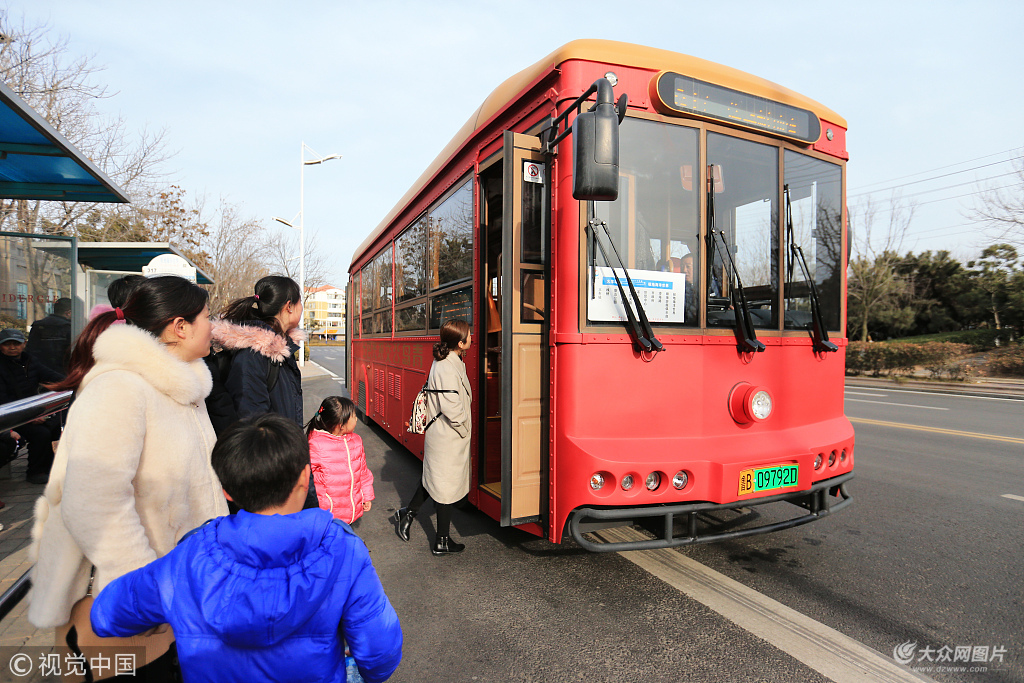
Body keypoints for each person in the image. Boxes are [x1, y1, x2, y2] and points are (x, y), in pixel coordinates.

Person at [90, 414, 403, 683]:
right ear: (305, 480)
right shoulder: (343, 549)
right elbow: (380, 651)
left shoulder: (189, 556)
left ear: (226, 491)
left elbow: (106, 615)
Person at [29, 276, 229, 681]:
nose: (215, 325)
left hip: (170, 601)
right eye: (208, 317)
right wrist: (146, 590)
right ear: (179, 326)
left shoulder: (181, 387)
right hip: (123, 604)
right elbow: (94, 502)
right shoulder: (120, 387)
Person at [206, 275, 317, 508]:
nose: (301, 309)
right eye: (300, 303)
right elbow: (253, 425)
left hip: (285, 465)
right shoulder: (254, 355)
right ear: (289, 306)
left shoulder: (279, 349)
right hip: (273, 481)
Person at [393, 319, 472, 555]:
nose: (472, 336)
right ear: (460, 342)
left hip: (445, 435)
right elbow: (452, 407)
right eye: (469, 334)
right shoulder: (447, 366)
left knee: (435, 481)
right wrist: (464, 428)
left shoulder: (450, 361)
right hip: (448, 435)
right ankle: (441, 540)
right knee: (444, 487)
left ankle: (408, 514)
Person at [0, 328, 64, 484]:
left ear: (24, 344)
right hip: (9, 416)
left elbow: (52, 377)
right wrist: (29, 417)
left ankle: (50, 468)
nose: (12, 347)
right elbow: (3, 399)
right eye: (7, 344)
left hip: (31, 410)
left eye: (16, 343)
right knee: (40, 433)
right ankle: (35, 472)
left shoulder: (30, 361)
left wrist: (75, 383)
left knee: (55, 426)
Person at [307, 396, 375, 525]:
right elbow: (310, 481)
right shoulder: (316, 445)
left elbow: (363, 472)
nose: (356, 419)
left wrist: (366, 495)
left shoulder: (356, 441)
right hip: (328, 515)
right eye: (353, 416)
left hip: (351, 509)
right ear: (341, 425)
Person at [26, 297, 72, 375]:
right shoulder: (70, 327)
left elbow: (30, 350)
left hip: (40, 373)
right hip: (63, 373)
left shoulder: (38, 325)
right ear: (68, 313)